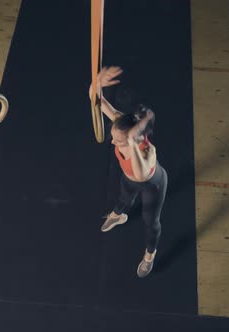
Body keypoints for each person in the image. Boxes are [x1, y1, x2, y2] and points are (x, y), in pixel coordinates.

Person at [89, 66, 168, 278]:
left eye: (118, 140)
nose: (113, 141)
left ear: (134, 139)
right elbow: (98, 103)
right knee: (124, 196)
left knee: (151, 221)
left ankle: (149, 255)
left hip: (153, 184)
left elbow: (142, 175)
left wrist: (132, 145)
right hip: (129, 177)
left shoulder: (146, 151)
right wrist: (96, 84)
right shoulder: (123, 125)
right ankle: (117, 216)